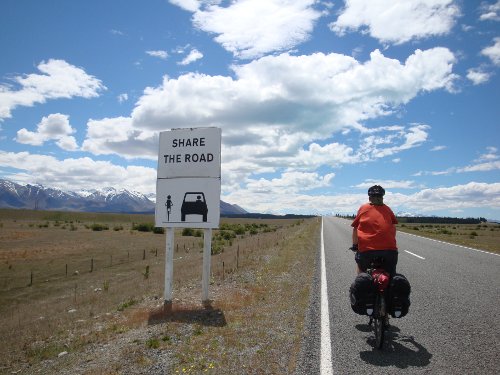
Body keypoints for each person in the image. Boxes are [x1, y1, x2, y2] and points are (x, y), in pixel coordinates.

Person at [350, 185, 398, 276]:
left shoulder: (363, 208)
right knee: (391, 275)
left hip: (367, 250)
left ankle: (361, 282)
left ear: (369, 198)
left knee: (362, 271)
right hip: (390, 250)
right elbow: (393, 228)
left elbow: (355, 228)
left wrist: (355, 245)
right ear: (382, 197)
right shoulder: (388, 209)